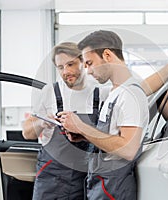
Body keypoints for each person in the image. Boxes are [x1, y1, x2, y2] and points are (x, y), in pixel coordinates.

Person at [58, 30, 149, 200]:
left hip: (114, 189)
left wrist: (82, 127)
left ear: (107, 55)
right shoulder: (115, 92)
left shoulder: (130, 95)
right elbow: (112, 138)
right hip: (102, 185)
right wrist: (84, 135)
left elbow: (128, 149)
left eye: (90, 63)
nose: (89, 71)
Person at [22, 42, 109, 200]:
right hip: (52, 178)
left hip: (86, 178)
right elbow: (27, 133)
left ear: (83, 62)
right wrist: (41, 123)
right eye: (60, 67)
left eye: (71, 64)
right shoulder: (50, 92)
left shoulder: (101, 93)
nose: (66, 71)